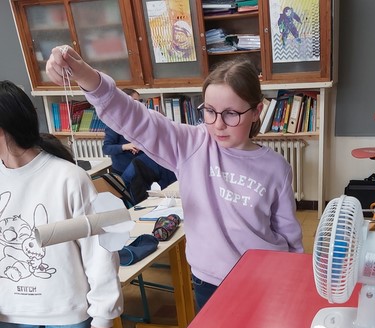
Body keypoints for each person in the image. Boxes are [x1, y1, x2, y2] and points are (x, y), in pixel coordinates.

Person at [46, 46, 303, 311]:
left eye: (231, 113)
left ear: (256, 111)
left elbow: (289, 234)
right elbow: (137, 118)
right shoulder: (192, 144)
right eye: (210, 111)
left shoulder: (276, 167)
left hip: (264, 277)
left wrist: (295, 281)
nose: (218, 124)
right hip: (210, 281)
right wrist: (85, 74)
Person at [0, 80, 122, 328]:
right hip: (11, 312)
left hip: (67, 307)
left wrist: (103, 313)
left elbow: (99, 248)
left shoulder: (67, 177)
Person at [102, 87, 176, 203]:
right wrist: (126, 146)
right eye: (135, 101)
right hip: (124, 169)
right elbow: (106, 148)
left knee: (165, 167)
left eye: (140, 101)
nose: (139, 104)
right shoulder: (114, 124)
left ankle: (172, 197)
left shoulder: (139, 121)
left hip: (141, 167)